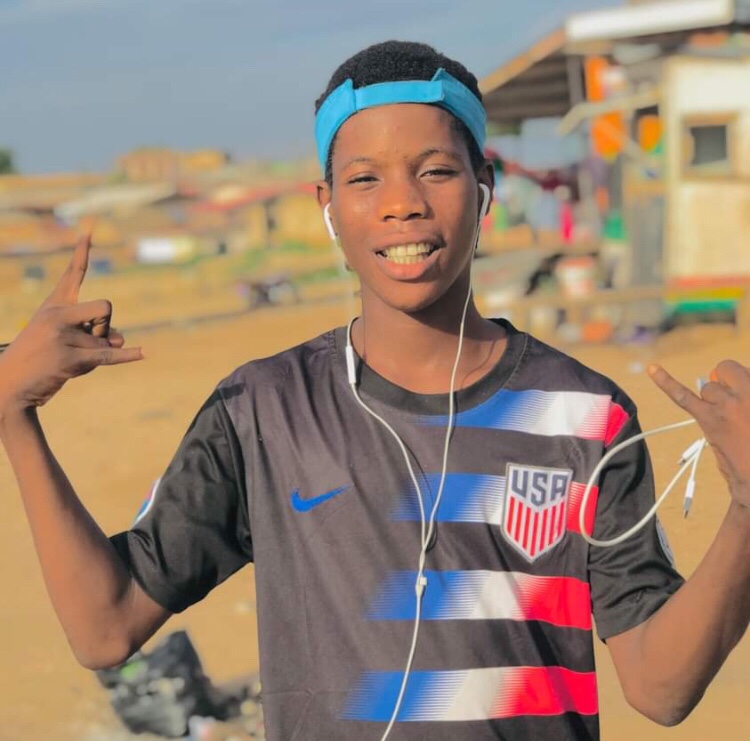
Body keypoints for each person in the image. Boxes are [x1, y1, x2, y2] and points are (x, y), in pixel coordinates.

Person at [0, 41, 748, 741]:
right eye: (365, 179)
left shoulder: (587, 416)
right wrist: (13, 411)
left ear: (485, 189)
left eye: (436, 170)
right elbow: (106, 627)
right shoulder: (263, 413)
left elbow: (661, 687)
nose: (402, 203)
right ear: (327, 205)